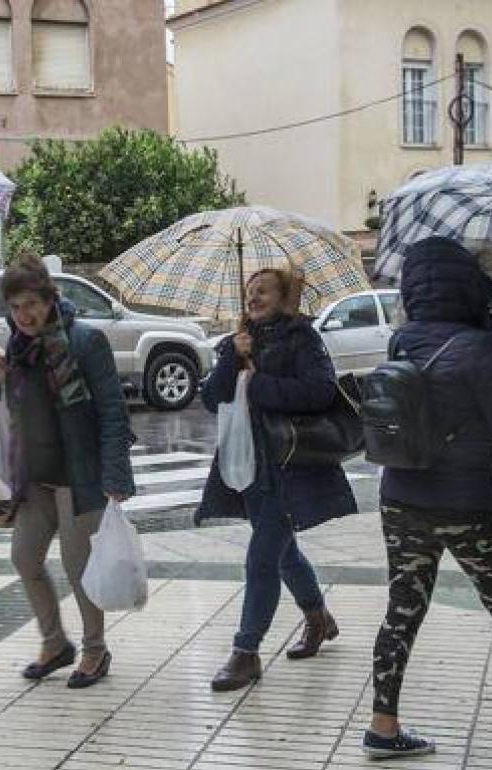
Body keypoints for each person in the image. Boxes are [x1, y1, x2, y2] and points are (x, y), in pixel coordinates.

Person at [364, 237, 492, 759]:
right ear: (467, 289)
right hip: (469, 505)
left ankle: (383, 726)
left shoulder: (402, 340)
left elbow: (445, 370)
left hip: (402, 499)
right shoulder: (478, 348)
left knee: (402, 610)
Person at [196, 267, 357, 693]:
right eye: (249, 291)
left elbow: (321, 391)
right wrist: (234, 356)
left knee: (262, 557)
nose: (254, 297)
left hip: (289, 465)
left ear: (285, 298)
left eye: (263, 291)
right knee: (283, 553)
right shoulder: (236, 342)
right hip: (246, 465)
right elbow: (212, 399)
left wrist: (259, 383)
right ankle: (318, 618)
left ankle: (245, 653)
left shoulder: (302, 338)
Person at [0, 255, 136, 689]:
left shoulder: (85, 342)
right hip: (35, 477)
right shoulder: (18, 348)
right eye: (15, 307)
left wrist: (116, 478)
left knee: (78, 566)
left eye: (31, 303)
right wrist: (1, 380)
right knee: (24, 557)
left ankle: (94, 650)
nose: (24, 315)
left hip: (78, 474)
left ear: (51, 299)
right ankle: (55, 644)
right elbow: (19, 411)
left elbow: (112, 411)